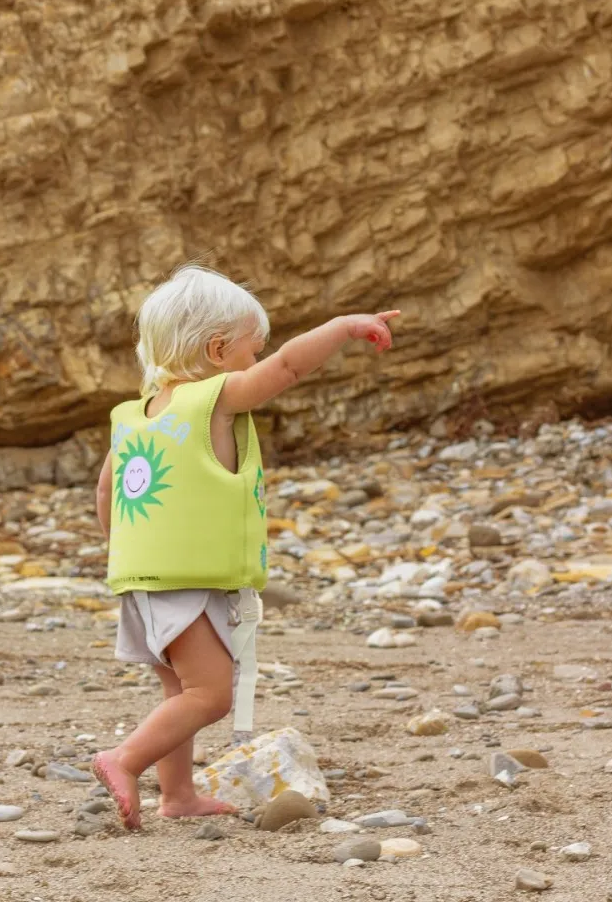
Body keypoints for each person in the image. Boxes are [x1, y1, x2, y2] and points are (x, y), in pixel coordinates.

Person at [92, 264, 399, 829]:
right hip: (184, 582)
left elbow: (107, 491)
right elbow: (290, 366)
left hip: (145, 580)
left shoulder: (135, 416)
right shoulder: (215, 399)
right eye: (252, 351)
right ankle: (124, 759)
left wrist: (127, 560)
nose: (259, 362)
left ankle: (177, 795)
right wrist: (343, 327)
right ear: (217, 350)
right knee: (211, 695)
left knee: (179, 694)